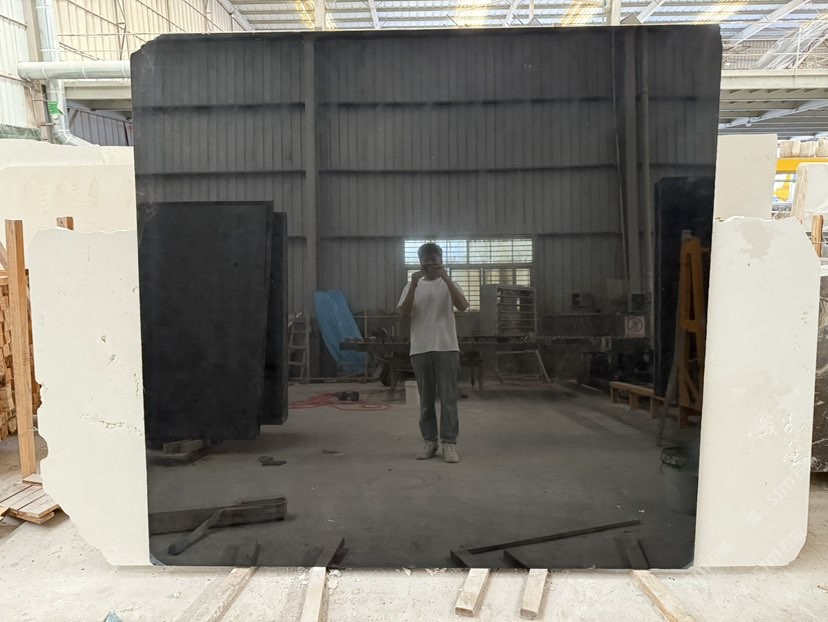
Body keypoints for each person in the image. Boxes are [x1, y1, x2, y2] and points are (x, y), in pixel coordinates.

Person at [397, 243, 469, 463]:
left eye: (434, 259)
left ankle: (449, 443)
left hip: (447, 347)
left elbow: (463, 306)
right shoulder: (412, 285)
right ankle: (430, 441)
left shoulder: (449, 283)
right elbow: (404, 312)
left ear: (440, 260)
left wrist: (446, 278)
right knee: (426, 400)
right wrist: (413, 285)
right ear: (420, 262)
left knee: (448, 398)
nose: (430, 263)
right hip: (420, 348)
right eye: (426, 260)